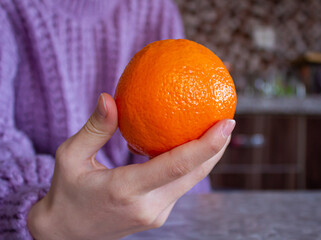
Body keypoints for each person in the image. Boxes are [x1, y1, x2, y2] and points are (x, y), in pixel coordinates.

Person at [0, 0, 235, 239]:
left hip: (172, 221)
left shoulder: (156, 9)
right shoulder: (10, 10)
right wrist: (41, 218)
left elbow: (172, 123)